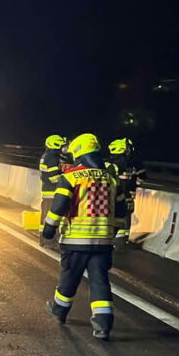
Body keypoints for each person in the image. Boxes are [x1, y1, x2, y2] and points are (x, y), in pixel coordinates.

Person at [41, 132, 127, 340]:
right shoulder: (112, 179)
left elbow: (59, 206)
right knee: (100, 281)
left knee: (69, 277)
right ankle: (103, 323)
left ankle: (59, 310)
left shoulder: (70, 177)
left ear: (79, 153)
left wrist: (49, 229)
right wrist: (115, 234)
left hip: (76, 241)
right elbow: (121, 211)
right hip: (103, 242)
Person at [107, 137, 146, 242]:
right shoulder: (130, 162)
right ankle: (122, 235)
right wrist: (135, 185)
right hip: (126, 192)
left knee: (117, 212)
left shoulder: (108, 163)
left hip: (114, 194)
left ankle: (117, 234)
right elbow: (142, 177)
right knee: (126, 213)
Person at [38, 135, 67, 248]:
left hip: (48, 192)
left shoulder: (47, 156)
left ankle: (46, 239)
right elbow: (53, 178)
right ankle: (48, 240)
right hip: (51, 192)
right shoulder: (51, 158)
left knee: (47, 216)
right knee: (50, 217)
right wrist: (65, 178)